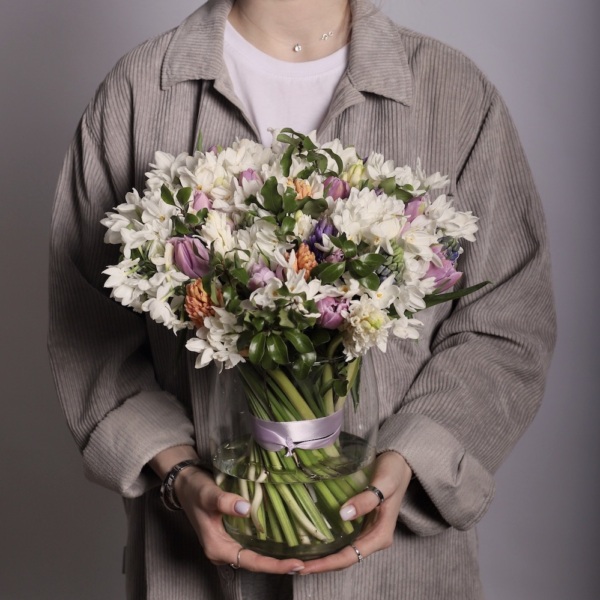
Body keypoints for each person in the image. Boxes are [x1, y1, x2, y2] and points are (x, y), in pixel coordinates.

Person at [48, 0, 556, 598]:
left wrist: (413, 461)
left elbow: (506, 323)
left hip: (399, 577)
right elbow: (89, 334)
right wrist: (179, 470)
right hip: (194, 568)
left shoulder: (454, 93)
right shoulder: (137, 91)